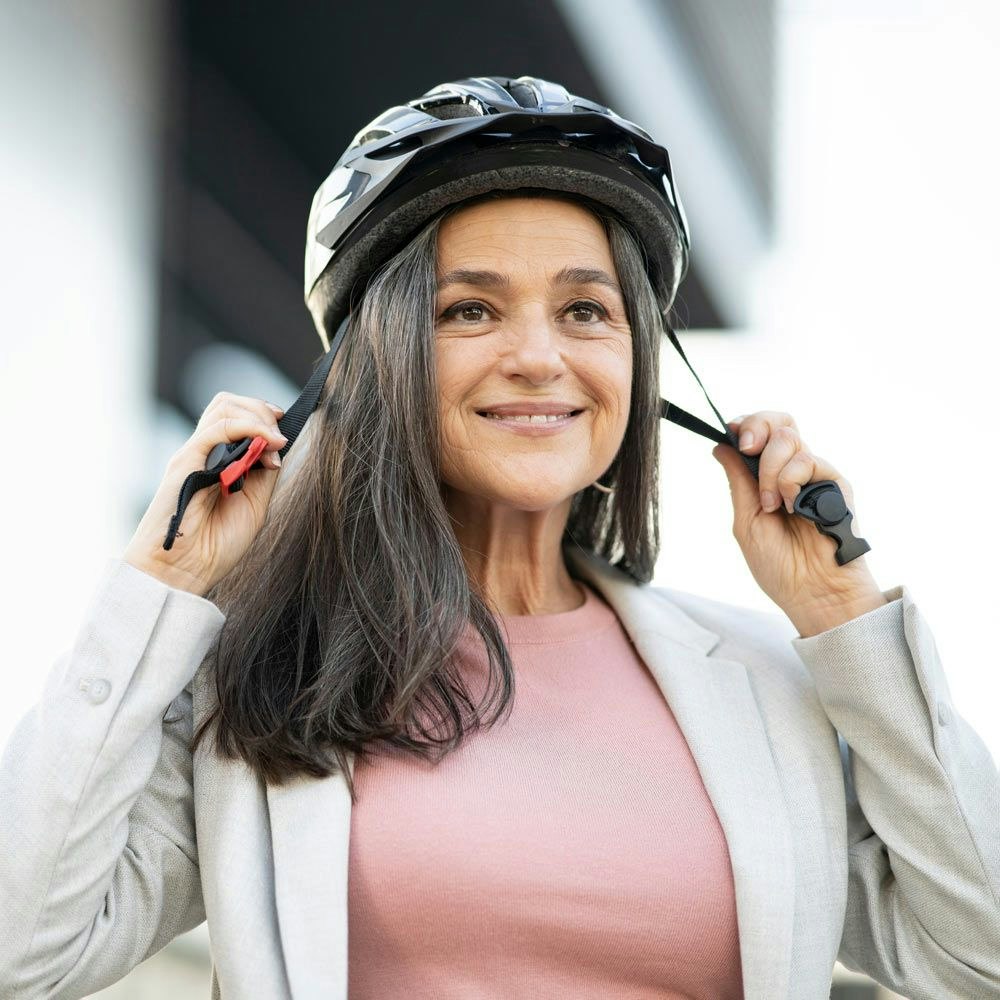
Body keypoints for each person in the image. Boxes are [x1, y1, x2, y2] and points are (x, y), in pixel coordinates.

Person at [1, 76, 998, 1000]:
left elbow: (979, 948)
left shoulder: (767, 680)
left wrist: (845, 622)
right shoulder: (263, 676)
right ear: (376, 357)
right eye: (469, 308)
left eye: (584, 309)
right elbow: (24, 946)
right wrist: (160, 586)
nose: (536, 356)